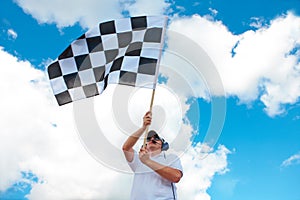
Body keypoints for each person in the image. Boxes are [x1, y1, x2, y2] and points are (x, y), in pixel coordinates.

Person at [122, 111, 183, 200]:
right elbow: (126, 148)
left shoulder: (171, 158)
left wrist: (148, 162)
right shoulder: (138, 159)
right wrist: (143, 128)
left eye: (156, 138)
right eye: (149, 138)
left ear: (163, 144)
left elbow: (176, 176)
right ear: (145, 144)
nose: (152, 139)